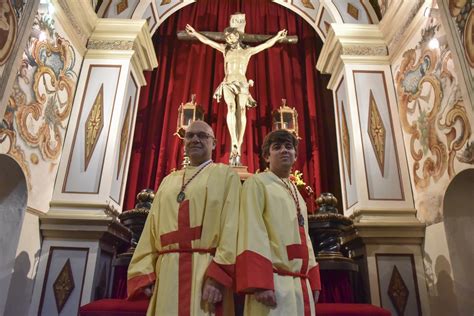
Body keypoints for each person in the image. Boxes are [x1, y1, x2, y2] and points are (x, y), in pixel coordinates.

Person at [127, 120, 241, 316]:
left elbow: (233, 227)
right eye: (190, 136)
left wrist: (217, 276)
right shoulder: (168, 181)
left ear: (213, 144)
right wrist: (144, 273)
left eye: (202, 136)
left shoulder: (226, 176)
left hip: (205, 273)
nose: (195, 139)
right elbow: (150, 231)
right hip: (167, 275)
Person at [236, 129, 321, 315]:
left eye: (289, 147)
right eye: (277, 147)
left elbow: (305, 238)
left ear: (295, 155)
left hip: (299, 284)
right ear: (267, 156)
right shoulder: (257, 183)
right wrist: (260, 282)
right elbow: (252, 230)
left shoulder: (297, 192)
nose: (284, 150)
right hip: (272, 284)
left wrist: (312, 278)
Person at [185, 24, 287, 165]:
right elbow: (209, 42)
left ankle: (239, 142)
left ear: (237, 36)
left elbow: (264, 46)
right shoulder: (225, 50)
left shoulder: (247, 51)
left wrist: (277, 37)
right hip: (228, 83)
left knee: (242, 109)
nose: (229, 39)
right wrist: (195, 33)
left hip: (242, 83)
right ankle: (234, 139)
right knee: (231, 107)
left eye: (231, 36)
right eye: (227, 37)